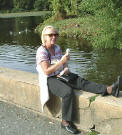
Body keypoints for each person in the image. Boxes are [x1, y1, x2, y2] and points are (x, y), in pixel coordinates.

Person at [36, 25, 122, 134]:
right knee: (67, 92)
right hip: (49, 79)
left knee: (81, 82)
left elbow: (62, 63)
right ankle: (65, 122)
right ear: (44, 37)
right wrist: (62, 62)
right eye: (50, 35)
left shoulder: (57, 48)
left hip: (60, 74)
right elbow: (46, 71)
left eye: (55, 34)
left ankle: (109, 89)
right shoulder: (41, 51)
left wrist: (66, 67)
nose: (54, 37)